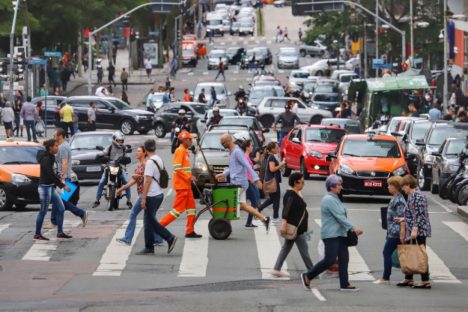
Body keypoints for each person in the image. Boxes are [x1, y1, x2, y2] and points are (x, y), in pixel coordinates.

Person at [300, 175, 363, 291]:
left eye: (340, 184)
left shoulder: (335, 198)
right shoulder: (328, 199)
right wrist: (353, 228)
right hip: (331, 234)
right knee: (330, 259)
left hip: (341, 234)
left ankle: (344, 284)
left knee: (344, 258)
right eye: (338, 185)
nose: (341, 187)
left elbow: (341, 216)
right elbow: (339, 217)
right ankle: (308, 275)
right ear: (331, 187)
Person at [216, 133, 271, 231]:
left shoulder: (237, 152)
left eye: (223, 143)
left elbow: (247, 165)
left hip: (239, 183)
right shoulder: (233, 152)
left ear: (228, 141)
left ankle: (226, 227)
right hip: (238, 182)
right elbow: (233, 167)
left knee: (230, 203)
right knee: (241, 205)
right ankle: (264, 219)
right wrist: (224, 174)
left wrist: (256, 179)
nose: (222, 145)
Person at [136, 139, 178, 255]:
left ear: (145, 148)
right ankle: (149, 247)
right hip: (159, 194)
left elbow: (147, 181)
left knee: (150, 220)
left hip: (152, 195)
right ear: (155, 147)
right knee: (148, 221)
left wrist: (143, 198)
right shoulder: (158, 159)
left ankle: (169, 237)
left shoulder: (150, 162)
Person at [116, 146, 164, 246]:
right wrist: (121, 189)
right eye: (136, 151)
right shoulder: (139, 166)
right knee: (152, 217)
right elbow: (132, 181)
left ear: (144, 153)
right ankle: (158, 239)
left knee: (133, 214)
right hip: (144, 194)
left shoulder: (147, 164)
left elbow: (149, 178)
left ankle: (127, 238)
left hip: (145, 194)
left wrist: (140, 177)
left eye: (138, 151)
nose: (136, 153)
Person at [159, 131, 202, 238]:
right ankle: (158, 227)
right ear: (185, 140)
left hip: (186, 186)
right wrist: (189, 177)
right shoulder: (180, 151)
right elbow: (177, 169)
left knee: (191, 208)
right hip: (182, 186)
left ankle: (189, 231)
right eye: (190, 139)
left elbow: (184, 169)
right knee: (177, 211)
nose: (191, 141)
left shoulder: (185, 151)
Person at [272, 172, 314, 277]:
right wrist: (283, 224)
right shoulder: (291, 194)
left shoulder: (296, 193)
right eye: (302, 182)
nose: (303, 184)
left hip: (295, 228)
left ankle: (277, 269)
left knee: (286, 248)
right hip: (296, 229)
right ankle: (313, 272)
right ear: (296, 182)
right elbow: (286, 210)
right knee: (305, 252)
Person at [35, 139, 72, 240]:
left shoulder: (51, 156)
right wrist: (63, 185)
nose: (58, 147)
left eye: (57, 145)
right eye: (55, 146)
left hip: (51, 187)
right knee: (43, 211)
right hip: (45, 188)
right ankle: (37, 234)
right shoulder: (46, 159)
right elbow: (50, 174)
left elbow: (53, 173)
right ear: (50, 148)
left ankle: (60, 232)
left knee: (61, 208)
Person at [399, 174, 432, 289]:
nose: (402, 189)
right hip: (413, 227)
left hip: (419, 229)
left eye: (403, 187)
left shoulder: (418, 196)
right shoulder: (412, 195)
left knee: (420, 253)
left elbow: (419, 214)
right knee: (410, 251)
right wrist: (404, 219)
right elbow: (412, 213)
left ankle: (425, 280)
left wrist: (415, 229)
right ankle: (409, 278)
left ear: (408, 185)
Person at [51, 128, 88, 228]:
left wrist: (62, 178)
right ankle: (54, 221)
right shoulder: (64, 145)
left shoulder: (62, 147)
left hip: (64, 177)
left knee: (61, 201)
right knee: (57, 199)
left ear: (60, 136)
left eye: (55, 136)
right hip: (64, 176)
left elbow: (64, 162)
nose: (54, 137)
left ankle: (81, 213)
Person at [374, 176, 406, 285]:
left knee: (386, 252)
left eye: (389, 185)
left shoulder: (399, 200)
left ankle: (386, 278)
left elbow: (402, 218)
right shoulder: (395, 198)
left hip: (396, 232)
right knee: (392, 253)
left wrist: (401, 233)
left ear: (395, 187)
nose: (388, 187)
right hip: (392, 230)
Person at [92, 131, 132, 209]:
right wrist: (99, 156)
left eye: (121, 140)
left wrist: (125, 159)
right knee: (101, 182)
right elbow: (103, 153)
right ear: (114, 139)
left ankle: (129, 201)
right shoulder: (109, 147)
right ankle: (97, 200)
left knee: (127, 183)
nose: (120, 142)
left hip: (121, 168)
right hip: (109, 167)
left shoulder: (124, 148)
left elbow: (128, 157)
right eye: (118, 140)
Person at [257, 142, 284, 222]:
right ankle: (275, 217)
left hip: (272, 180)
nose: (278, 149)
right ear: (272, 149)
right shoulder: (271, 157)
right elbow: (272, 169)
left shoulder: (270, 156)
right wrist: (281, 164)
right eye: (276, 148)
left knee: (273, 198)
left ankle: (259, 208)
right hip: (273, 181)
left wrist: (280, 166)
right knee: (276, 199)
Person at [239, 137, 261, 228]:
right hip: (248, 183)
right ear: (247, 147)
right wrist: (252, 179)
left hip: (250, 182)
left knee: (252, 203)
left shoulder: (247, 157)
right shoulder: (245, 157)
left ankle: (249, 222)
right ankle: (248, 222)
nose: (252, 147)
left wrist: (254, 173)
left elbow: (249, 169)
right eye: (251, 146)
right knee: (251, 203)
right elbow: (244, 171)